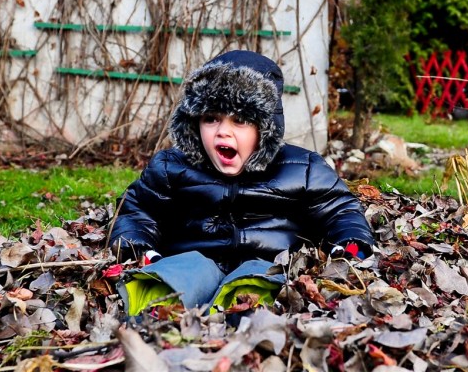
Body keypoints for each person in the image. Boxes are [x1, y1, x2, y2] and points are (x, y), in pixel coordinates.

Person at [109, 50, 374, 316]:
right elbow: (137, 210)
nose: (223, 131)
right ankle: (158, 312)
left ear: (266, 127)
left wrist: (349, 245)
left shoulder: (301, 168)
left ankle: (246, 314)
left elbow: (340, 210)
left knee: (259, 278)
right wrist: (138, 246)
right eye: (211, 118)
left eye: (241, 121)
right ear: (193, 122)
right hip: (190, 261)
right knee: (181, 272)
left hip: (265, 264)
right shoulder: (172, 167)